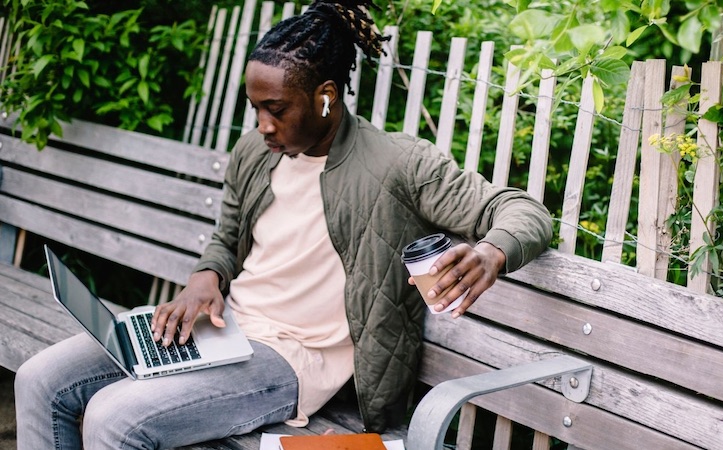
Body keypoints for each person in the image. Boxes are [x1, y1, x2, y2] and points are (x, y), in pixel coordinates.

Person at [14, 0, 552, 447]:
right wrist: (207, 277)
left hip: (293, 360)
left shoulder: (398, 164)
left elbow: (523, 211)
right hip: (223, 329)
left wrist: (491, 252)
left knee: (116, 418)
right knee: (41, 380)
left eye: (276, 108)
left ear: (325, 97)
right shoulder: (256, 151)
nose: (263, 125)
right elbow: (226, 239)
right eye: (255, 108)